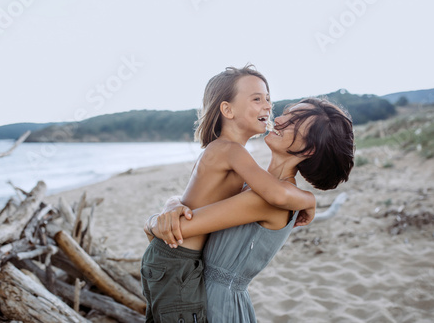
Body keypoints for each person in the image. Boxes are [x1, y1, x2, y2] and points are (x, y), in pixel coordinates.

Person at [148, 97, 355, 322]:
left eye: (293, 122)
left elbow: (178, 229)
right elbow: (196, 206)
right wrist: (172, 203)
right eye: (286, 113)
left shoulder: (268, 200)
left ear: (310, 149)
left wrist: (153, 220)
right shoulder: (267, 189)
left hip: (217, 304)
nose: (279, 120)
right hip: (207, 295)